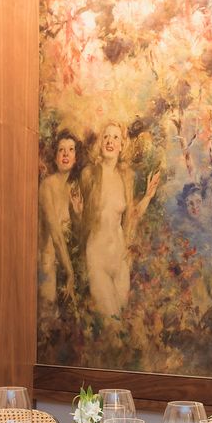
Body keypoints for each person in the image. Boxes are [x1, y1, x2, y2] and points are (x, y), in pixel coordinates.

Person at [80, 121, 160, 319]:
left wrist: (148, 196)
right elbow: (79, 218)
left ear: (122, 145)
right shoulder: (89, 174)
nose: (110, 141)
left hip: (120, 258)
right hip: (97, 256)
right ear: (100, 143)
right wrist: (76, 211)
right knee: (111, 319)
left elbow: (131, 216)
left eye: (115, 137)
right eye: (106, 136)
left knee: (121, 319)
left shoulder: (126, 177)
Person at [38, 132, 82, 315]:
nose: (66, 154)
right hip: (46, 259)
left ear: (75, 157)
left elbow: (79, 234)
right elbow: (55, 234)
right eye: (61, 150)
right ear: (55, 157)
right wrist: (70, 272)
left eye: (70, 150)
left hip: (63, 259)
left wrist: (79, 214)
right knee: (48, 313)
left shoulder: (72, 188)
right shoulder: (47, 185)